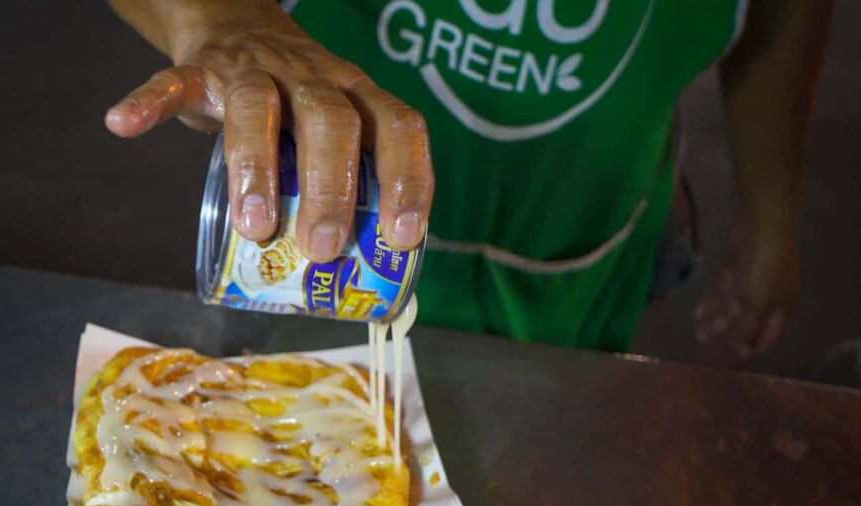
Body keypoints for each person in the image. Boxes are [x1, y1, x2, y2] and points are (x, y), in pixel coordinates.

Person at [103, 0, 831, 361]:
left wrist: (772, 213)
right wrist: (216, 17)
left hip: (581, 267)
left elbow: (780, 14)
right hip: (316, 251)